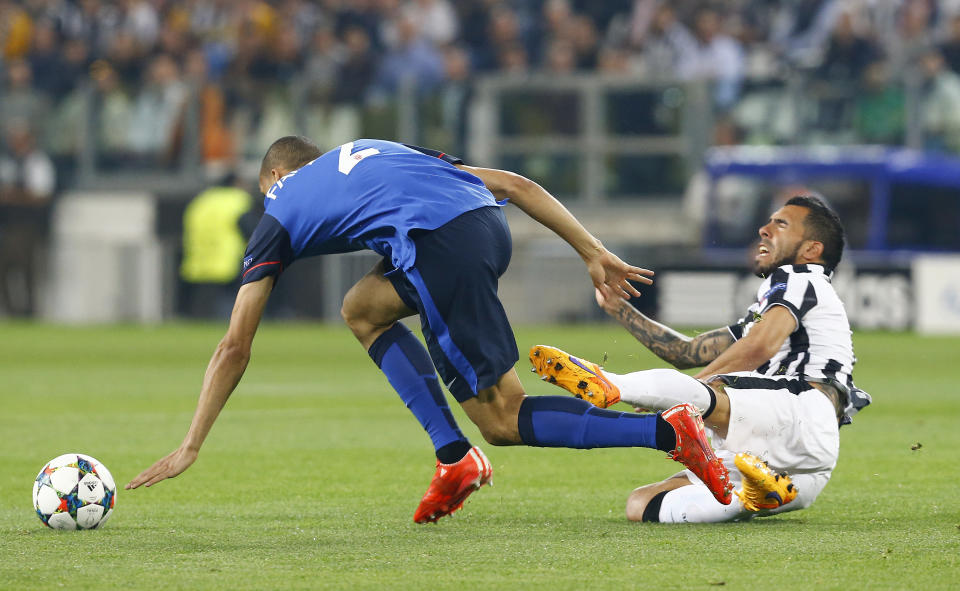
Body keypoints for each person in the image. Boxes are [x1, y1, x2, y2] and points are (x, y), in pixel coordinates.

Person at [126, 137, 733, 523]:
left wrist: (192, 443)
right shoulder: (378, 150)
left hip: (439, 249)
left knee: (501, 420)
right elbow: (514, 186)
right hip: (484, 230)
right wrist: (592, 251)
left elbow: (235, 345)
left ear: (273, 180)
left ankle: (667, 432)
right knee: (362, 307)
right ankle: (452, 457)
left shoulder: (279, 208)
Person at [532, 195, 872, 523]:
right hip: (799, 460)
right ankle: (747, 500)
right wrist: (620, 308)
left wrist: (686, 392)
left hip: (801, 411)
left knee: (714, 387)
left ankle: (611, 383)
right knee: (642, 503)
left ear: (812, 250)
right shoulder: (773, 311)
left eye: (780, 224)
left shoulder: (800, 277)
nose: (763, 230)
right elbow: (686, 352)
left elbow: (758, 348)